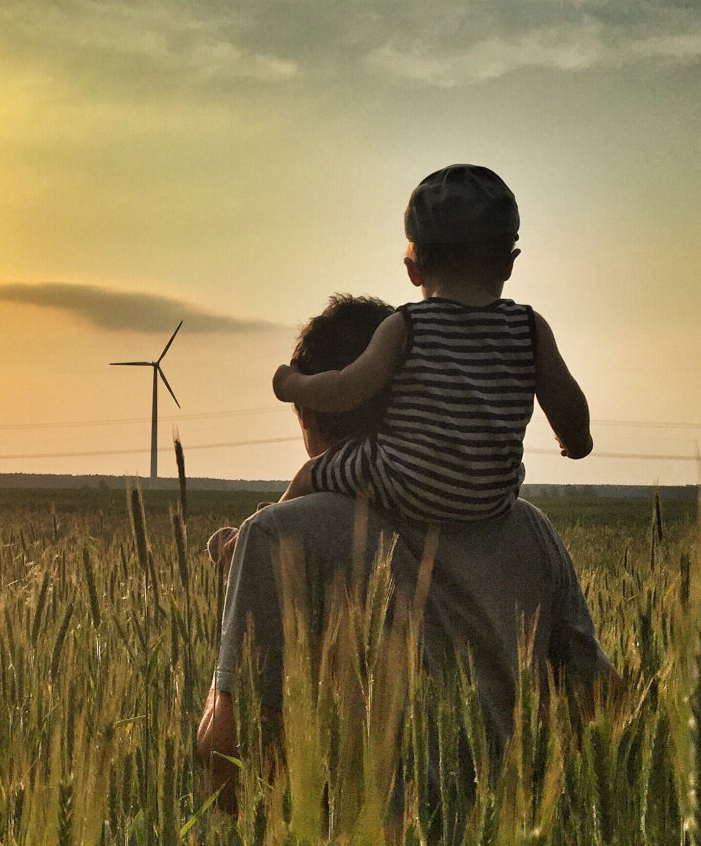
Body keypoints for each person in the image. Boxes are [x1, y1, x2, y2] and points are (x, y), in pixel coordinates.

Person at [197, 293, 616, 815]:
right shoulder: (530, 528)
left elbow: (231, 755)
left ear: (307, 409)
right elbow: (601, 703)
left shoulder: (273, 536)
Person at [272, 164, 593, 523]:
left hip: (407, 485)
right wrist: (577, 443)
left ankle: (255, 535)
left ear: (414, 270)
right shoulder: (530, 328)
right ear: (508, 263)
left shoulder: (406, 326)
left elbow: (345, 390)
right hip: (492, 500)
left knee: (311, 473)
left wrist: (291, 385)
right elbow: (568, 404)